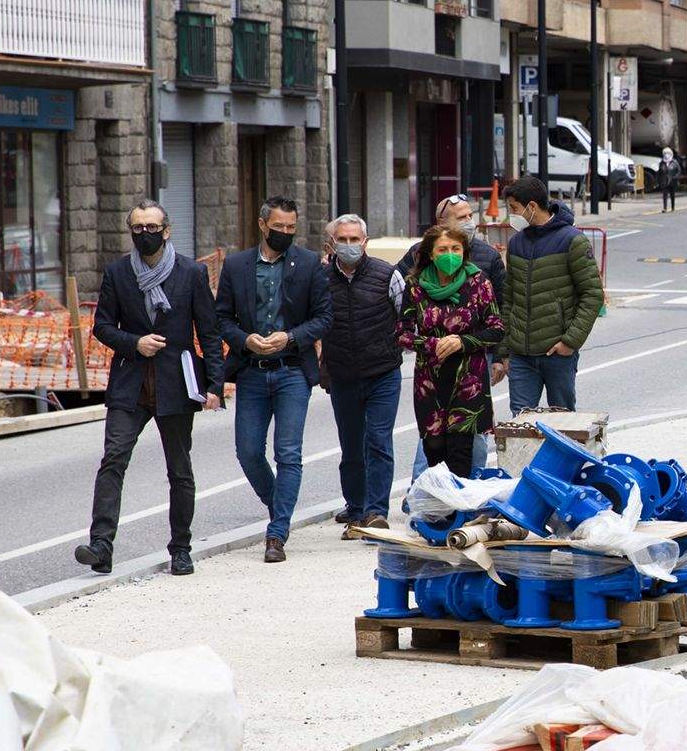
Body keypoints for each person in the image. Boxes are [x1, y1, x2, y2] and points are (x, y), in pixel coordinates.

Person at [75, 199, 223, 576]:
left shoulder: (191, 273)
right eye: (137, 228)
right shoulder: (118, 273)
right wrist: (134, 343)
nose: (145, 234)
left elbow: (207, 331)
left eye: (152, 228)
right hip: (131, 383)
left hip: (176, 383)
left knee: (179, 469)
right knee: (113, 460)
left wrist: (215, 385)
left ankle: (181, 548)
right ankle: (101, 545)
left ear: (166, 230)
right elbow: (102, 326)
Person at [216, 195, 330, 564]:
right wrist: (244, 339)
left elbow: (324, 317)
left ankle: (277, 533)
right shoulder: (236, 266)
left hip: (293, 372)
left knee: (288, 453)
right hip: (251, 372)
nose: (284, 233)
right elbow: (222, 319)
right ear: (263, 225)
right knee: (247, 451)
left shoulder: (310, 264)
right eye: (278, 227)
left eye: (291, 228)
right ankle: (279, 502)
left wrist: (292, 337)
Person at [395, 192, 507, 478]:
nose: (450, 256)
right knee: (434, 449)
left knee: (461, 453)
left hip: (469, 377)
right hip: (430, 379)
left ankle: (459, 513)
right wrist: (433, 344)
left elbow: (495, 327)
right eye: (443, 250)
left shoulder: (478, 282)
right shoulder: (416, 286)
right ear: (430, 253)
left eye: (455, 250)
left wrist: (461, 341)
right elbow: (403, 334)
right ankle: (434, 510)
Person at [320, 214, 403, 535]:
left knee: (379, 441)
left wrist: (394, 345)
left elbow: (405, 316)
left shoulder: (388, 275)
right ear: (332, 244)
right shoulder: (321, 279)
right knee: (351, 446)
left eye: (356, 240)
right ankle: (355, 508)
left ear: (365, 242)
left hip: (382, 373)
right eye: (343, 240)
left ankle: (375, 511)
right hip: (343, 376)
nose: (350, 245)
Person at [499, 174, 605, 411]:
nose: (511, 215)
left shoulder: (572, 241)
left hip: (557, 354)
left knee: (562, 422)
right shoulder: (516, 243)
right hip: (521, 356)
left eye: (514, 208)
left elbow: (593, 294)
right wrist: (505, 349)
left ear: (532, 207)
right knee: (521, 426)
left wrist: (570, 342)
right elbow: (509, 299)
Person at [659, 147, 680, 212]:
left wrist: (675, 177)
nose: (666, 154)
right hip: (664, 181)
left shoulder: (674, 162)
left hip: (672, 181)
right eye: (665, 153)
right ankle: (665, 208)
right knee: (665, 195)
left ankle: (673, 207)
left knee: (672, 195)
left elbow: (679, 171)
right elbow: (659, 172)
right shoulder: (662, 162)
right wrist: (659, 181)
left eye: (668, 153)